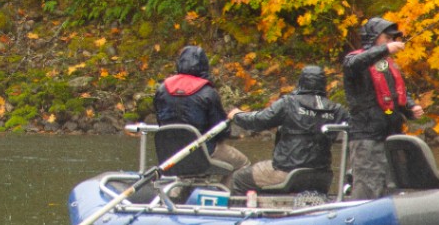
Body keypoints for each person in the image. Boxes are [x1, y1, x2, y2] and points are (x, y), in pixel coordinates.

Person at [225, 66, 350, 193]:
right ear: (324, 84)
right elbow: (357, 131)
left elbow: (258, 121)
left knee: (239, 178)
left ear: (301, 82)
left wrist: (236, 115)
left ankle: (243, 211)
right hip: (322, 177)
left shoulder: (289, 103)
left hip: (288, 172)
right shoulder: (337, 110)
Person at [342, 16, 423, 199]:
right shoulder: (354, 61)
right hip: (366, 136)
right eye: (387, 37)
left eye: (392, 39)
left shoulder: (385, 65)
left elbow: (396, 95)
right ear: (374, 38)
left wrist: (411, 107)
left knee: (391, 185)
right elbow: (357, 62)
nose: (391, 41)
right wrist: (385, 49)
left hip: (391, 135)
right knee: (368, 186)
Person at [150, 44, 249, 179]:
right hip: (202, 151)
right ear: (204, 65)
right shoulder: (208, 92)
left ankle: (180, 193)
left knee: (189, 165)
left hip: (171, 153)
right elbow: (220, 130)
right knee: (243, 164)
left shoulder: (162, 89)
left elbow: (161, 122)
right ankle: (226, 197)